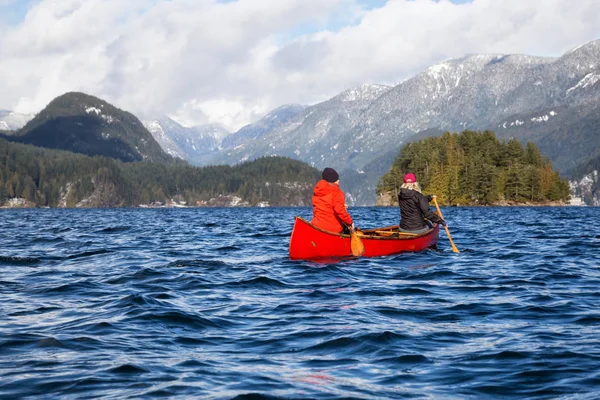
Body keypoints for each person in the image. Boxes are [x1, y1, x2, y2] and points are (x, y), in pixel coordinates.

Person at [311, 167, 354, 233]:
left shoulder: (317, 191)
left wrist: (342, 206)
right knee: (348, 230)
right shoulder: (337, 192)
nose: (339, 180)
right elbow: (340, 211)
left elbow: (326, 206)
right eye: (338, 179)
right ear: (335, 180)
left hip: (316, 226)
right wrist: (350, 222)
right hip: (332, 229)